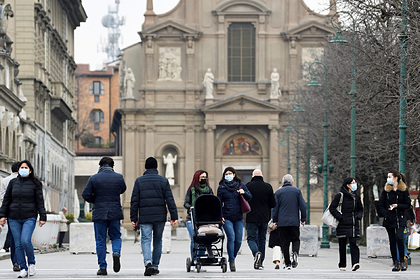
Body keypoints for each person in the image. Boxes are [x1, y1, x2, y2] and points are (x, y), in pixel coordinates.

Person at [130, 157, 178, 276]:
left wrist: (133, 218)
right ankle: (155, 266)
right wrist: (174, 216)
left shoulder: (139, 181)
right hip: (160, 216)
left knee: (145, 240)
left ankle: (148, 263)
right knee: (157, 241)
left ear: (145, 167)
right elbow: (170, 200)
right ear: (157, 167)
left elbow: (134, 201)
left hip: (145, 217)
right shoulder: (163, 181)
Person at [0, 160, 47, 278]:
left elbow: (40, 201)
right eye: (22, 167)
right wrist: (2, 216)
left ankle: (31, 263)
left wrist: (43, 216)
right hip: (13, 217)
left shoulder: (35, 184)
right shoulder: (12, 183)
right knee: (18, 244)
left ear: (30, 170)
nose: (23, 169)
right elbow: (6, 200)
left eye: (26, 167)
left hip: (29, 217)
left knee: (25, 240)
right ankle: (23, 267)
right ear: (18, 169)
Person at [82, 157, 127, 276]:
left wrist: (95, 200)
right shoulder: (119, 177)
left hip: (99, 212)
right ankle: (116, 253)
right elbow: (123, 189)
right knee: (116, 236)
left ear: (100, 165)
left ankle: (102, 267)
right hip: (115, 212)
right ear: (112, 166)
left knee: (100, 240)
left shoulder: (94, 178)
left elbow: (85, 194)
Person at [217, 166, 252, 272]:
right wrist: (220, 216)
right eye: (226, 174)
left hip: (238, 217)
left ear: (234, 174)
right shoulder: (221, 187)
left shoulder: (241, 186)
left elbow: (250, 197)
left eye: (230, 173)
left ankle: (233, 257)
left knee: (239, 240)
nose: (228, 175)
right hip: (227, 217)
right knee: (231, 237)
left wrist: (243, 192)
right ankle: (231, 261)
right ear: (224, 176)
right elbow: (218, 203)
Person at [377, 169, 411, 272]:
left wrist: (397, 206)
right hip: (389, 219)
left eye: (390, 177)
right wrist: (386, 213)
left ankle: (402, 261)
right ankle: (395, 262)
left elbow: (408, 204)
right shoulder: (386, 191)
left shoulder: (403, 190)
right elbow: (380, 205)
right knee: (392, 241)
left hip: (400, 218)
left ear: (395, 178)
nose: (388, 179)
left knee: (399, 238)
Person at [271, 174, 306, 270]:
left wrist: (275, 220)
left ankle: (288, 263)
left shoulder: (278, 192)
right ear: (292, 182)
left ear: (282, 182)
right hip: (294, 221)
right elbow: (303, 206)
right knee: (295, 239)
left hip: (282, 222)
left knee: (284, 243)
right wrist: (303, 219)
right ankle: (295, 252)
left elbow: (275, 208)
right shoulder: (297, 191)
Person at [329, 177, 363, 271]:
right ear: (347, 185)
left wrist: (359, 216)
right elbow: (332, 208)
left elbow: (360, 208)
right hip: (342, 224)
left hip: (353, 223)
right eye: (352, 183)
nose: (354, 184)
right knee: (342, 245)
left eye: (355, 182)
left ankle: (355, 263)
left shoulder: (356, 196)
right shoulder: (340, 195)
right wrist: (340, 217)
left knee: (354, 243)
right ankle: (342, 265)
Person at [245, 169, 276, 270]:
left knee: (251, 238)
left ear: (252, 176)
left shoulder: (248, 186)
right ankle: (260, 262)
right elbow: (273, 204)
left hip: (251, 217)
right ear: (262, 175)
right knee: (262, 240)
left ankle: (256, 253)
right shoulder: (268, 187)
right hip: (264, 218)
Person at [183, 170, 214, 261]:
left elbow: (213, 202)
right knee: (195, 239)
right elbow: (186, 203)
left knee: (203, 238)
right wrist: (191, 207)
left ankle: (200, 259)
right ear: (197, 178)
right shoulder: (191, 189)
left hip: (205, 219)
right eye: (202, 177)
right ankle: (194, 259)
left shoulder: (209, 189)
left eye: (205, 177)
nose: (204, 179)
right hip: (192, 218)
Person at [0, 161, 20, 272]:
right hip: (24, 213)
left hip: (10, 212)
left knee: (13, 237)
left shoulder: (4, 180)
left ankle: (15, 261)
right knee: (23, 238)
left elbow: (2, 198)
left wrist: (5, 212)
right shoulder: (26, 180)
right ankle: (21, 261)